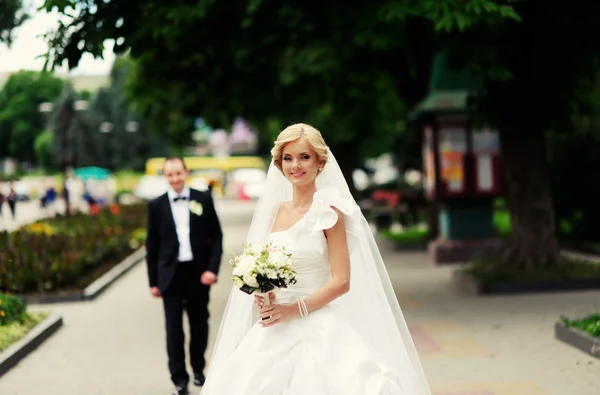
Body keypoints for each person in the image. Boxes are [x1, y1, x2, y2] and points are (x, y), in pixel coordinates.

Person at [201, 124, 432, 395]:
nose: (295, 165)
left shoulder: (330, 212)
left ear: (320, 162)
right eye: (288, 158)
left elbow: (342, 281)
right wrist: (263, 294)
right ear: (279, 163)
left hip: (318, 327)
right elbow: (268, 267)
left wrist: (294, 309)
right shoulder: (274, 211)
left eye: (304, 157)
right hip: (273, 327)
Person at [145, 157, 223, 395]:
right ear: (165, 176)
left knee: (199, 324)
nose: (175, 179)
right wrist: (153, 282)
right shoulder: (156, 206)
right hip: (170, 274)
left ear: (186, 172)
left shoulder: (203, 198)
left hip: (198, 273)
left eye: (178, 173)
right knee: (173, 329)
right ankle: (179, 379)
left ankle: (199, 369)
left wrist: (212, 269)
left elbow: (216, 237)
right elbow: (152, 246)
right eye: (170, 175)